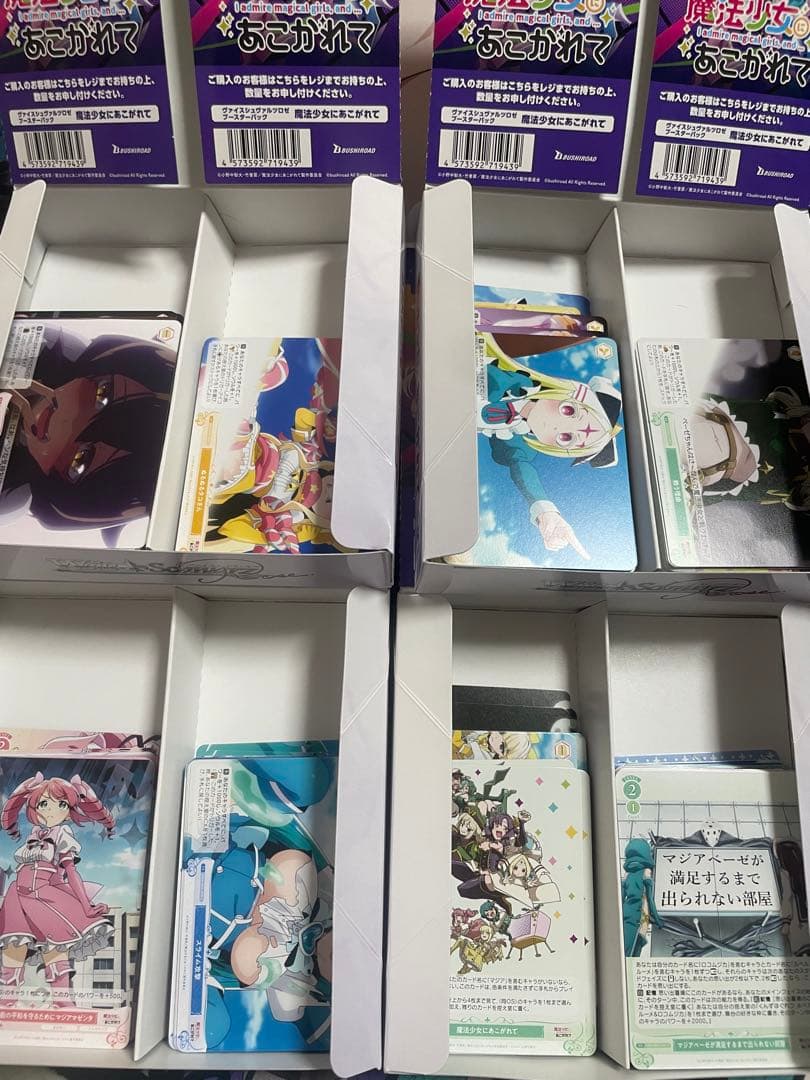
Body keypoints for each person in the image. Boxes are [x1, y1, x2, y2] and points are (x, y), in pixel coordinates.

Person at [0, 773, 115, 1007]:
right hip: (16, 894)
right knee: (13, 946)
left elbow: (71, 872)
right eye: (44, 803)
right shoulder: (34, 833)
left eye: (61, 804)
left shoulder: (62, 834)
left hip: (44, 894)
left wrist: (86, 905)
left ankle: (63, 1003)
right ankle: (6, 1002)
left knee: (55, 944)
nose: (52, 810)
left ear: (69, 809)